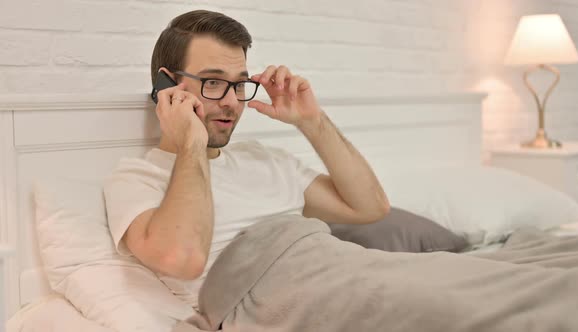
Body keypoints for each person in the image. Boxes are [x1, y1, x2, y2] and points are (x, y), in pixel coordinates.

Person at [103, 9, 390, 309]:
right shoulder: (137, 179)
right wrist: (192, 143)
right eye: (213, 82)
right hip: (299, 306)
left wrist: (312, 121)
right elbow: (183, 259)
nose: (230, 102)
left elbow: (370, 207)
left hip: (350, 276)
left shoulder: (263, 159)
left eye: (239, 84)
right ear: (167, 87)